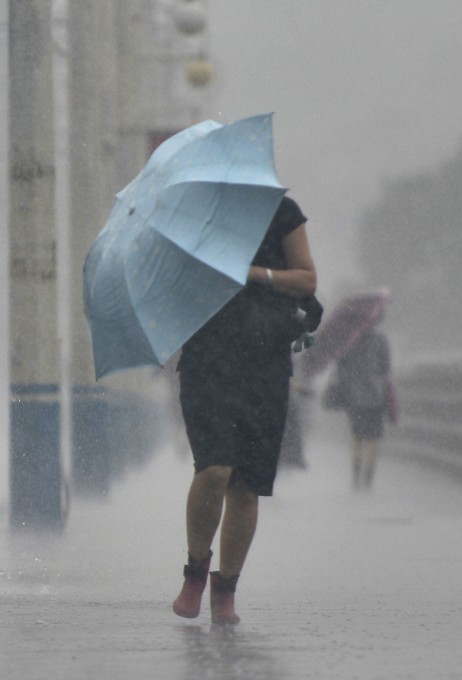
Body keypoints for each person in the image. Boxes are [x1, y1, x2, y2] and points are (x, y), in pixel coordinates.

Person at [172, 195, 317, 625]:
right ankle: (195, 569)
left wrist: (254, 274)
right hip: (206, 360)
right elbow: (174, 286)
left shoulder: (282, 212)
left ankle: (227, 587)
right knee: (214, 469)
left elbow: (307, 279)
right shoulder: (196, 215)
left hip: (265, 361)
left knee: (246, 483)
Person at [331, 322, 392, 490]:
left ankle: (355, 478)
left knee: (357, 437)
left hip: (354, 397)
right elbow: (386, 367)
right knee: (373, 438)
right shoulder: (380, 339)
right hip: (375, 396)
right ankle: (368, 479)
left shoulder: (349, 338)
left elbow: (340, 365)